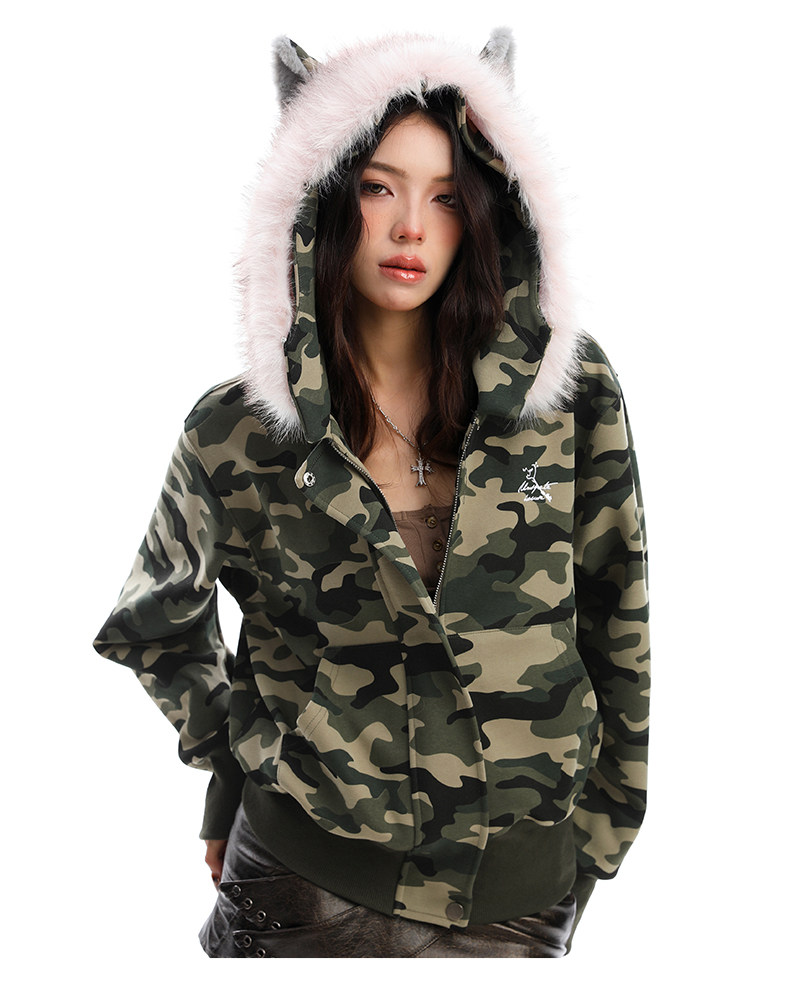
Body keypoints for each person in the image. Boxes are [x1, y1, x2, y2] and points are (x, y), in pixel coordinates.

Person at [94, 29, 649, 958]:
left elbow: (616, 613)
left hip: (523, 898)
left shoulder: (569, 395)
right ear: (319, 199)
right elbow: (155, 623)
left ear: (489, 211)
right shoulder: (237, 429)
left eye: (446, 196)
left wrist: (601, 838)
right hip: (304, 887)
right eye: (378, 187)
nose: (411, 228)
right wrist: (241, 770)